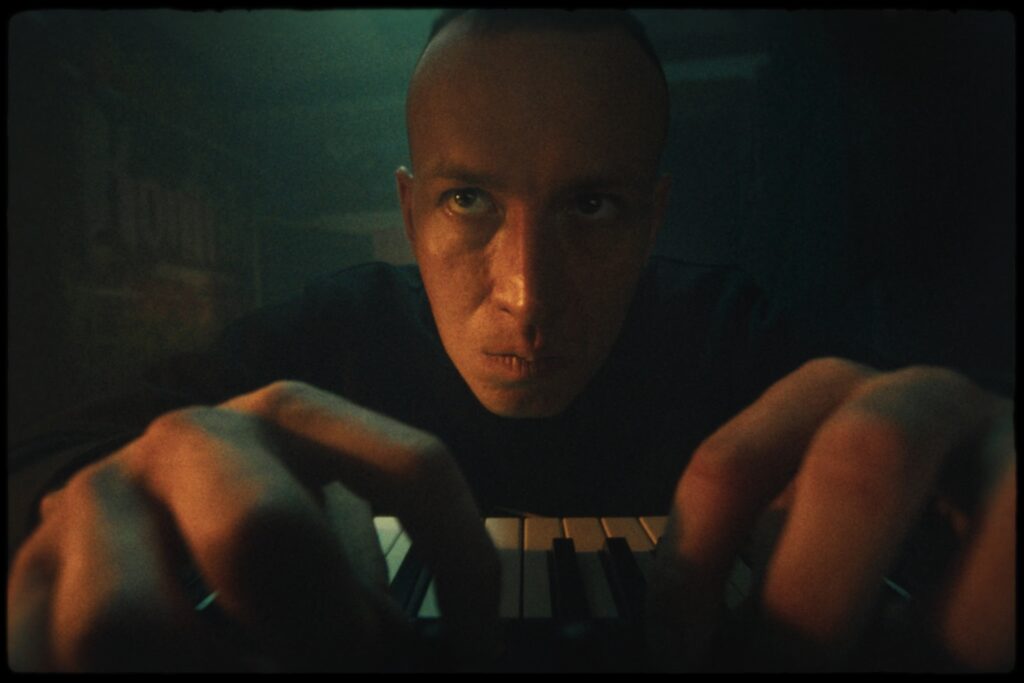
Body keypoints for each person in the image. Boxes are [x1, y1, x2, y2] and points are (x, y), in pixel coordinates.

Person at [6, 9, 1015, 672]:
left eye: (592, 205)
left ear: (652, 219)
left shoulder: (732, 333)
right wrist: (95, 495)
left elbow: (908, 439)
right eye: (468, 200)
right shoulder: (326, 333)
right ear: (410, 215)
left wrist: (973, 473)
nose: (527, 297)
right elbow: (59, 462)